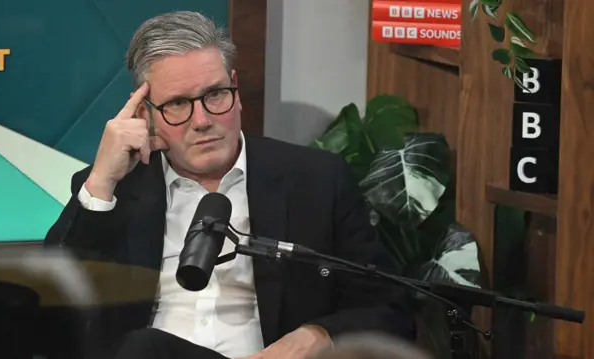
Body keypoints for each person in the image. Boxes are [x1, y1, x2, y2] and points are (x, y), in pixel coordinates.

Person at [44, 10, 413, 359]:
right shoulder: (116, 191)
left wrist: (315, 337)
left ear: (235, 90)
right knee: (146, 348)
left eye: (215, 95)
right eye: (177, 104)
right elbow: (52, 308)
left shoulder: (315, 181)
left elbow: (390, 307)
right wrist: (102, 181)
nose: (203, 120)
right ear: (145, 115)